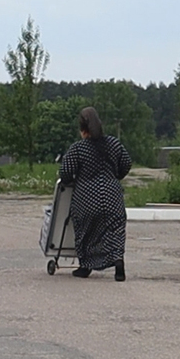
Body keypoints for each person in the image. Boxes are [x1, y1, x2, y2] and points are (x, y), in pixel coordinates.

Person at [59, 107, 132, 281]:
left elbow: (65, 173)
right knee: (115, 229)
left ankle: (85, 266)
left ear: (83, 130)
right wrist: (115, 177)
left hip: (86, 196)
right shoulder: (114, 144)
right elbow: (126, 163)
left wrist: (71, 181)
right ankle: (118, 259)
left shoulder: (78, 149)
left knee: (86, 230)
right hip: (112, 194)